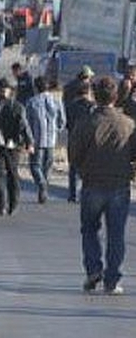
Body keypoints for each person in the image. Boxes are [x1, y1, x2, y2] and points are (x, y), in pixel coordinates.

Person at [68, 75, 136, 295]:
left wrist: (82, 169)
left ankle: (93, 270)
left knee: (89, 229)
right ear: (115, 97)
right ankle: (112, 279)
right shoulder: (128, 124)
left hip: (92, 184)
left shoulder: (86, 122)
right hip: (119, 185)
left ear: (95, 97)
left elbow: (73, 154)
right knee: (116, 234)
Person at [0, 77, 34, 215]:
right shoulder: (17, 106)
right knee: (12, 175)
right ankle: (12, 205)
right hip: (13, 146)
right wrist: (29, 142)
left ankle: (0, 206)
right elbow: (24, 126)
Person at [26, 76, 66, 203]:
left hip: (36, 139)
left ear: (36, 87)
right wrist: (56, 129)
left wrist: (27, 139)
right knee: (47, 166)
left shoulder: (32, 102)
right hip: (51, 139)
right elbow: (62, 121)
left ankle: (41, 184)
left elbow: (27, 122)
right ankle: (44, 189)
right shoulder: (56, 100)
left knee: (35, 166)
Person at [65, 80, 95, 203]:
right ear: (88, 92)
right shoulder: (92, 107)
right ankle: (85, 193)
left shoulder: (70, 106)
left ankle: (73, 194)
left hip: (73, 138)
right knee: (88, 167)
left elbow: (66, 123)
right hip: (88, 140)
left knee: (73, 167)